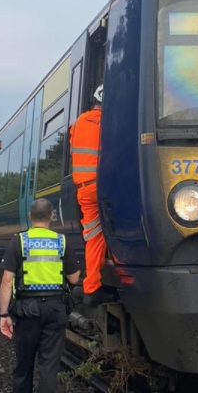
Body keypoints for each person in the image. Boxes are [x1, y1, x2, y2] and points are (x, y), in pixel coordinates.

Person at [0, 198, 80, 393]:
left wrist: (4, 315)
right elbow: (74, 278)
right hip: (55, 310)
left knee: (23, 366)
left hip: (26, 311)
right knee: (48, 369)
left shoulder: (19, 241)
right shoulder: (61, 241)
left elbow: (6, 281)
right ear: (52, 216)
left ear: (30, 217)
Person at [69, 85, 116, 306]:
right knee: (120, 226)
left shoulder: (78, 122)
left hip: (84, 188)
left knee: (94, 236)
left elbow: (73, 144)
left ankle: (92, 287)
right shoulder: (111, 123)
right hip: (105, 186)